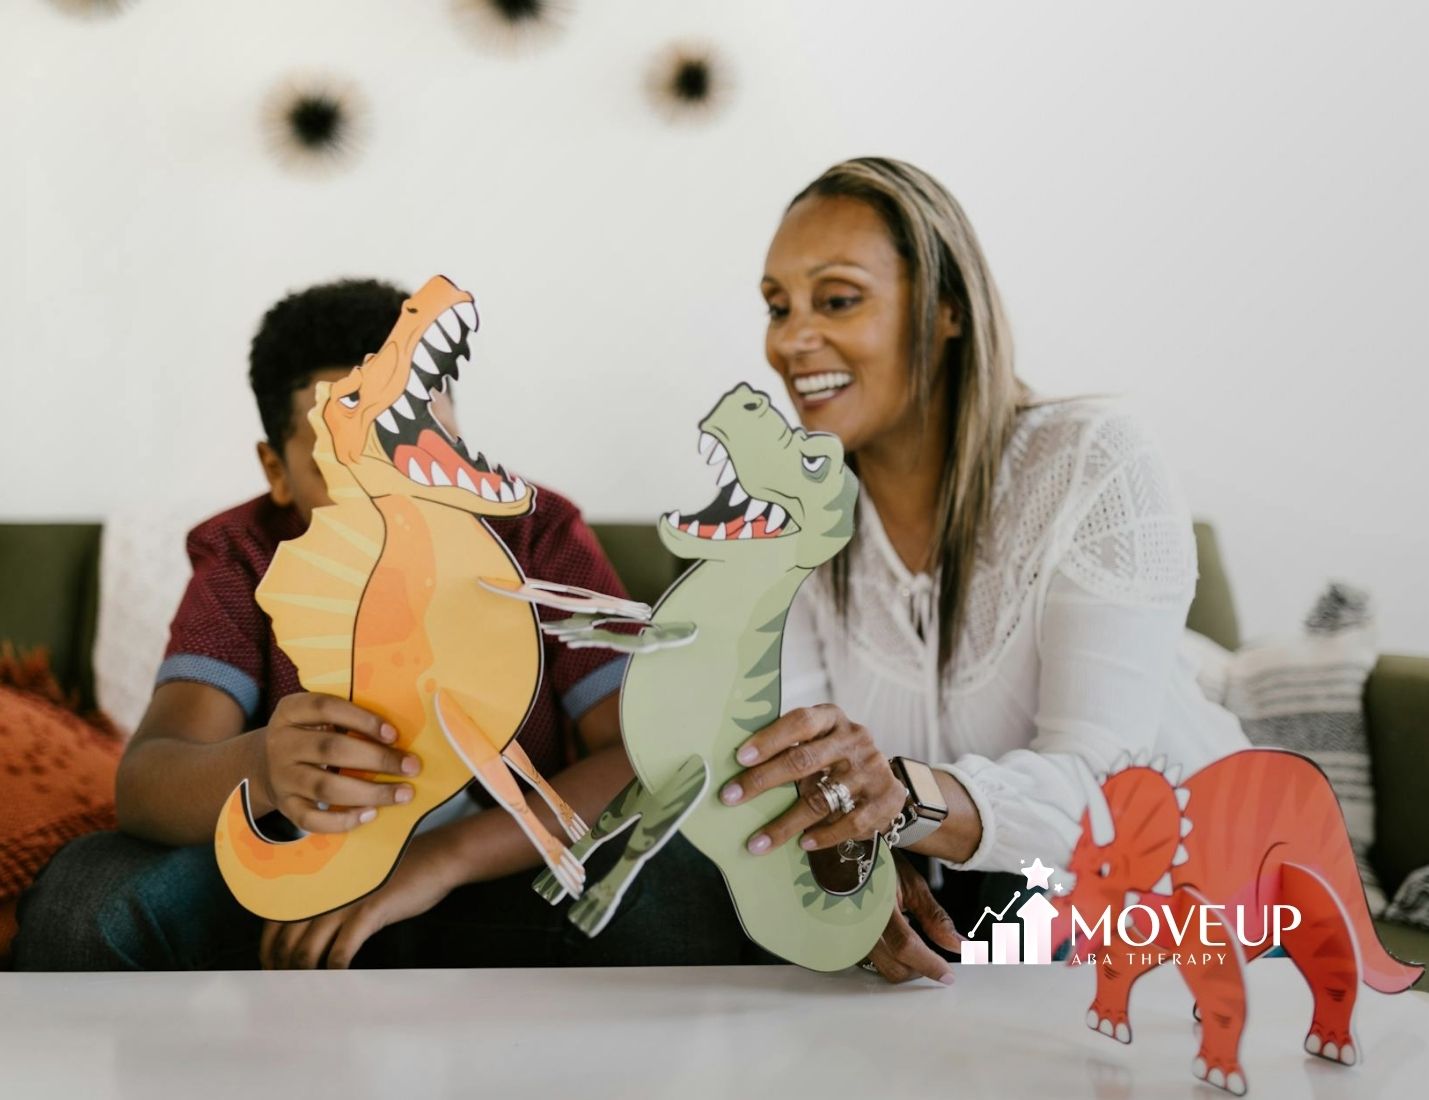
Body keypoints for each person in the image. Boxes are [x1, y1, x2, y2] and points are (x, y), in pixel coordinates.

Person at [14, 278, 747, 971]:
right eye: (349, 452)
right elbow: (147, 782)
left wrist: (443, 860)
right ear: (277, 471)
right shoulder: (245, 555)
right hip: (292, 899)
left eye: (418, 436)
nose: (396, 475)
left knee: (678, 883)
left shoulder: (538, 534)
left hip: (501, 876)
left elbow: (640, 759)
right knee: (89, 896)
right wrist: (265, 764)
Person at [716, 158, 1247, 983]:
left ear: (946, 310)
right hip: (1007, 928)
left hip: (1206, 905)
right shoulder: (797, 523)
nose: (789, 339)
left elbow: (1103, 793)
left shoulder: (1090, 466)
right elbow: (797, 763)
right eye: (776, 307)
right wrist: (849, 861)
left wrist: (899, 800)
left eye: (837, 299)